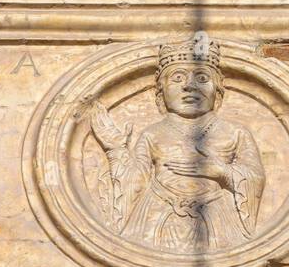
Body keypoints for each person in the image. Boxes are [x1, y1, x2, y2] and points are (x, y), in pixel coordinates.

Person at [90, 32, 264, 250]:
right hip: (155, 214)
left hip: (217, 216)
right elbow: (135, 182)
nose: (189, 86)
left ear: (217, 90)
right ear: (161, 90)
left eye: (202, 78)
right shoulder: (152, 133)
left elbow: (255, 176)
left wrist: (221, 171)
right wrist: (115, 149)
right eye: (177, 78)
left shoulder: (235, 133)